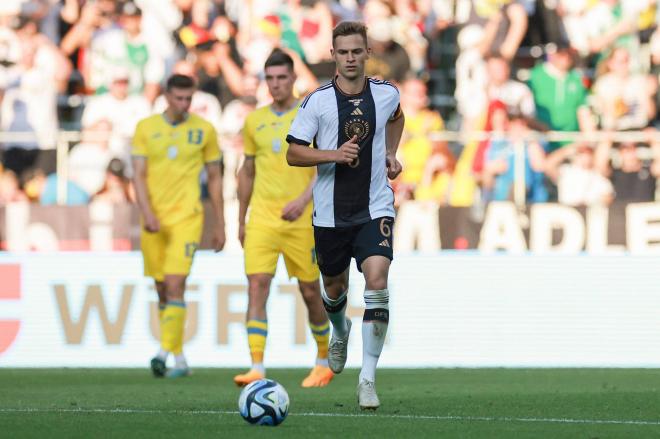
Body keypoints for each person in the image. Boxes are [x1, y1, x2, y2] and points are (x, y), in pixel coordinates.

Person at [286, 21, 404, 410]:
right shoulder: (316, 102)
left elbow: (398, 118)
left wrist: (389, 152)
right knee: (334, 289)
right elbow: (294, 152)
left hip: (375, 207)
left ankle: (367, 378)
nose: (351, 58)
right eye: (344, 52)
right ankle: (340, 330)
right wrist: (334, 154)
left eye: (357, 51)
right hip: (330, 215)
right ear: (333, 55)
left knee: (377, 279)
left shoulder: (386, 94)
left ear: (368, 53)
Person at [233, 49, 333, 389]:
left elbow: (325, 165)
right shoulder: (253, 121)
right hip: (262, 218)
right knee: (257, 286)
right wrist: (240, 219)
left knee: (309, 291)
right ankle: (256, 366)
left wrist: (303, 199)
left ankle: (323, 359)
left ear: (293, 79)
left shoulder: (310, 115)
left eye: (282, 78)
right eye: (270, 78)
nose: (275, 84)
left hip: (302, 219)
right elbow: (246, 171)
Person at [131, 74, 226, 378]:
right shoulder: (146, 128)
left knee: (174, 284)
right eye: (179, 98)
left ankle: (161, 354)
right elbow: (138, 175)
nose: (184, 104)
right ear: (166, 96)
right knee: (161, 289)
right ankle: (179, 357)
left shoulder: (204, 130)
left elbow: (214, 178)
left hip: (187, 217)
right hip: (153, 220)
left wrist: (220, 223)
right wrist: (146, 212)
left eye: (189, 99)